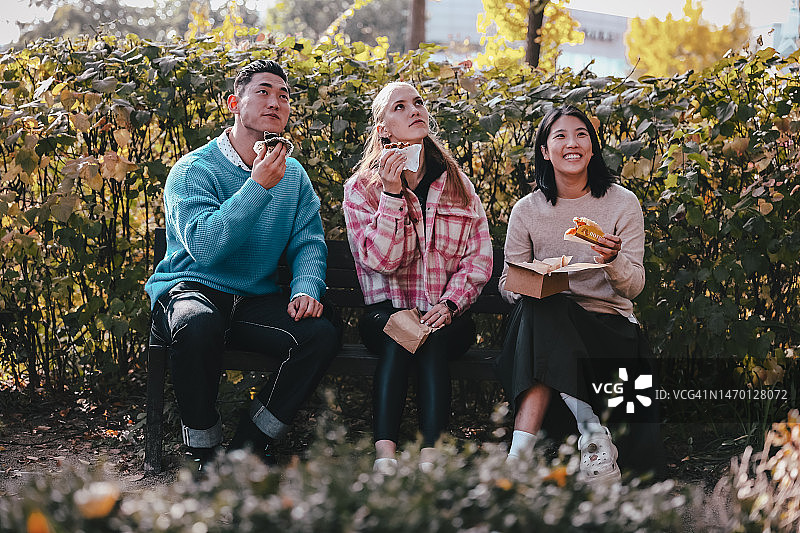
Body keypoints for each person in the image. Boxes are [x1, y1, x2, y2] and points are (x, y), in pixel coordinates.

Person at [145, 59, 338, 469]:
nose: (276, 102)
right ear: (234, 103)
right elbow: (206, 246)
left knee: (320, 334)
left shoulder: (294, 176)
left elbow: (308, 240)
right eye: (264, 92)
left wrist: (306, 286)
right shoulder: (193, 170)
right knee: (196, 324)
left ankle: (248, 446)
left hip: (252, 300)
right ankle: (204, 450)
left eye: (283, 96)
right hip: (191, 289)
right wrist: (256, 187)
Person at [496, 105, 659, 484]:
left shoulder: (621, 203)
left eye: (581, 134)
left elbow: (633, 287)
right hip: (545, 325)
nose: (572, 143)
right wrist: (534, 282)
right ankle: (594, 437)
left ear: (592, 146)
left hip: (608, 326)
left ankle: (517, 459)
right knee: (544, 306)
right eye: (561, 136)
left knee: (544, 316)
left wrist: (612, 260)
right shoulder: (527, 210)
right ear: (544, 150)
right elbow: (507, 285)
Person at [343, 81, 493, 473]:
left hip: (446, 314)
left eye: (418, 103)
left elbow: (479, 258)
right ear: (383, 130)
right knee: (400, 332)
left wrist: (450, 303)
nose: (414, 110)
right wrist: (392, 197)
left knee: (431, 336)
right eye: (400, 106)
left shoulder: (458, 185)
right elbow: (382, 260)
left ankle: (430, 458)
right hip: (385, 313)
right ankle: (386, 459)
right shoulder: (362, 189)